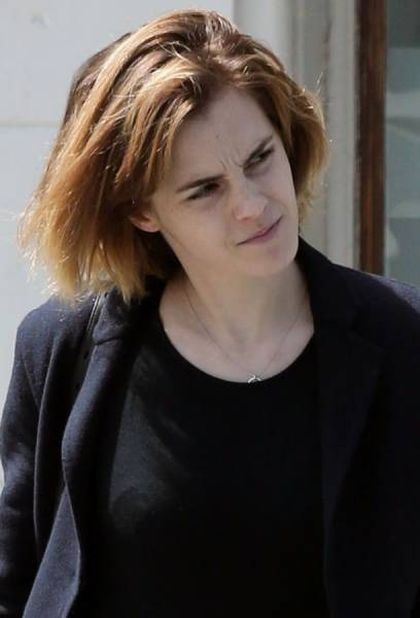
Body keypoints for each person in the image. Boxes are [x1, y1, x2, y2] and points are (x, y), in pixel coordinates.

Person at [0, 8, 419, 617]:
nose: (252, 204)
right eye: (205, 189)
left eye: (259, 158)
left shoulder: (403, 339)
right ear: (142, 211)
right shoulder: (62, 348)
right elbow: (15, 586)